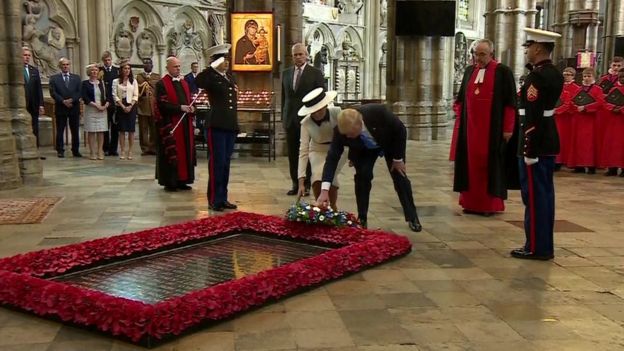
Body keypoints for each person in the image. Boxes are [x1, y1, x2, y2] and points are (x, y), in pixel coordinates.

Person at [316, 105, 422, 232]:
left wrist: (398, 159)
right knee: (362, 177)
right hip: (363, 150)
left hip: (389, 143)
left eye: (350, 134)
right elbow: (332, 159)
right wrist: (324, 190)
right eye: (345, 135)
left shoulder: (379, 113)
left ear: (359, 124)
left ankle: (412, 217)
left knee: (400, 178)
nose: (347, 137)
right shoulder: (340, 131)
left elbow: (400, 130)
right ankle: (362, 218)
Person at [510, 28, 564, 261]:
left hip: (536, 145)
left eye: (529, 46)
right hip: (547, 140)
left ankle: (536, 247)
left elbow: (531, 115)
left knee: (534, 198)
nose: (526, 50)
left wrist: (528, 149)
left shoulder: (537, 76)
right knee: (544, 196)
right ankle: (541, 245)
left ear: (539, 48)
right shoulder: (554, 73)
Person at [453, 39, 517, 216]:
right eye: (476, 54)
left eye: (482, 54)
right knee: (470, 166)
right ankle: (470, 203)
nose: (478, 58)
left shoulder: (503, 72)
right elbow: (460, 100)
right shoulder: (468, 71)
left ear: (491, 54)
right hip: (470, 130)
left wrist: (508, 128)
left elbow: (510, 104)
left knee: (489, 167)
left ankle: (489, 205)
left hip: (492, 131)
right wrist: (461, 116)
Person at [196, 44, 239, 212]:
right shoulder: (210, 77)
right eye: (222, 59)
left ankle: (223, 198)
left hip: (229, 125)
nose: (226, 62)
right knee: (217, 163)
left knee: (226, 163)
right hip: (216, 126)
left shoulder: (230, 77)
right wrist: (210, 67)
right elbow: (198, 81)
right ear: (215, 62)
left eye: (227, 59)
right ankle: (213, 199)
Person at [282, 43, 325, 196]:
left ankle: (306, 184)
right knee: (293, 153)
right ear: (292, 56)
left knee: (306, 152)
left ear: (306, 55)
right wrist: (283, 117)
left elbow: (321, 97)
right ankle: (295, 183)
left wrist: (319, 118)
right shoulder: (286, 73)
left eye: (301, 54)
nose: (298, 57)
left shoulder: (315, 73)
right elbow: (284, 98)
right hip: (290, 119)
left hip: (308, 119)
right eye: (295, 55)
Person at [296, 88, 347, 209]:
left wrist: (355, 155)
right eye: (314, 110)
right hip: (317, 150)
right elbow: (303, 151)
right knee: (317, 176)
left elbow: (349, 133)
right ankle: (320, 207)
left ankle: (333, 207)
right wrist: (301, 181)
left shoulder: (337, 112)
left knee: (330, 175)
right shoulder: (305, 123)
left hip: (338, 149)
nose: (318, 113)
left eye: (320, 108)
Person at [154, 57, 196, 191]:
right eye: (175, 67)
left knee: (185, 151)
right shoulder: (162, 84)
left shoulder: (184, 83)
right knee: (173, 152)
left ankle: (183, 180)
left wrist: (192, 108)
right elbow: (162, 105)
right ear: (168, 68)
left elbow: (189, 100)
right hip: (170, 124)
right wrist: (180, 108)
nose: (178, 68)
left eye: (179, 66)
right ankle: (170, 182)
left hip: (185, 124)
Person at [567, 68, 604, 174]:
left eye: (589, 76)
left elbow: (600, 102)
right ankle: (579, 165)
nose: (586, 78)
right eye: (584, 76)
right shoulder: (578, 89)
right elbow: (571, 101)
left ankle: (591, 165)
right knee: (578, 142)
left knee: (590, 143)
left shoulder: (598, 89)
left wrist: (586, 107)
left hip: (591, 120)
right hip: (579, 119)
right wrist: (576, 107)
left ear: (594, 77)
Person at [49, 57, 81, 158]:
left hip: (74, 107)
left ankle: (75, 150)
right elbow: (53, 92)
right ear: (60, 66)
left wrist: (72, 100)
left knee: (75, 130)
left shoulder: (76, 78)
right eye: (63, 65)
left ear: (69, 65)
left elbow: (79, 91)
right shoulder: (54, 78)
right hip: (61, 107)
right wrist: (63, 101)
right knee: (60, 130)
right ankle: (60, 150)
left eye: (67, 64)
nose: (65, 66)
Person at [22, 47, 46, 160]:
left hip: (33, 104)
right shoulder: (17, 69)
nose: (26, 57)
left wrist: (41, 104)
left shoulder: (34, 70)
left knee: (35, 128)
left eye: (28, 55)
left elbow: (39, 89)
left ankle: (35, 151)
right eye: (24, 55)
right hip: (21, 104)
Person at [599, 68, 624, 176]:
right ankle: (612, 167)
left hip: (622, 120)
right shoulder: (613, 89)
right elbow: (605, 102)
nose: (622, 79)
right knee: (612, 144)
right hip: (613, 120)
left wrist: (621, 109)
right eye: (620, 77)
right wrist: (613, 107)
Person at [81, 63, 109, 160]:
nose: (94, 72)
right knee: (92, 131)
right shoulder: (85, 83)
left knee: (101, 131)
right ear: (89, 72)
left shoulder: (102, 83)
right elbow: (85, 97)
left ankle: (100, 150)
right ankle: (92, 152)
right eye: (92, 70)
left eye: (96, 70)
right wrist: (96, 105)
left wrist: (104, 106)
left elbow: (108, 96)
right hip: (91, 109)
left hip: (102, 110)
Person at [112, 61, 139, 160]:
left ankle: (130, 151)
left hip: (131, 106)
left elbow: (136, 95)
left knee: (131, 130)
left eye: (128, 69)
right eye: (125, 68)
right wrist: (123, 106)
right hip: (120, 106)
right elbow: (114, 95)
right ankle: (122, 150)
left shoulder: (133, 81)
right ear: (121, 70)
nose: (127, 70)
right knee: (122, 130)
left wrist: (130, 106)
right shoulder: (116, 81)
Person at [554, 67, 579, 169]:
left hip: (569, 117)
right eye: (564, 74)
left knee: (568, 139)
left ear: (573, 76)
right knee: (559, 138)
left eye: (569, 74)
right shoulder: (558, 86)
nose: (566, 76)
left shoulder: (577, 88)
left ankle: (567, 160)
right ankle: (558, 160)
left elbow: (574, 102)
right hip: (558, 117)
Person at [136, 58, 160, 155]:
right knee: (143, 128)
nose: (147, 65)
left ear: (152, 65)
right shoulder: (139, 77)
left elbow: (159, 90)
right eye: (145, 64)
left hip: (153, 105)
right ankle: (145, 148)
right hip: (143, 105)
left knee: (154, 128)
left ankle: (153, 147)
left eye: (149, 64)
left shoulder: (157, 77)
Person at [100, 51, 119, 156]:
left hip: (114, 102)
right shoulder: (100, 71)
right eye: (105, 60)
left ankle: (114, 148)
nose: (107, 62)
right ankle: (105, 148)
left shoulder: (116, 71)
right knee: (105, 126)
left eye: (109, 60)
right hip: (104, 102)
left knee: (115, 126)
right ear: (103, 61)